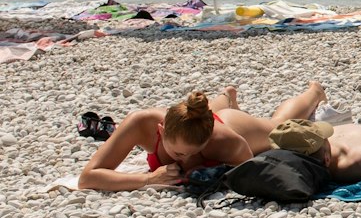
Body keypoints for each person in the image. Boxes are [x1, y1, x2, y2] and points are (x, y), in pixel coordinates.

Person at [77, 81, 330, 191]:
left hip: (230, 125)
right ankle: (226, 96)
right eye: (178, 153)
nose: (185, 159)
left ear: (207, 141)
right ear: (161, 131)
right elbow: (87, 178)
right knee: (203, 113)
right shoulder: (140, 123)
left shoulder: (228, 142)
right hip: (197, 120)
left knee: (280, 127)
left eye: (194, 153)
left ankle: (314, 92)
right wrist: (148, 179)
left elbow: (250, 174)